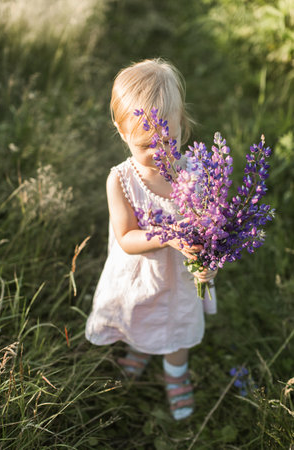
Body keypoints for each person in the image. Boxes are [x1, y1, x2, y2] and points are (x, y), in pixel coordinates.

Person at [85, 58, 217, 420]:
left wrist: (209, 265)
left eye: (169, 139)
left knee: (177, 325)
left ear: (182, 125)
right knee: (139, 315)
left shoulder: (197, 172)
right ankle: (142, 348)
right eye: (147, 144)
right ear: (121, 130)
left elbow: (209, 226)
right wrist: (169, 235)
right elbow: (126, 237)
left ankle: (176, 374)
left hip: (181, 277)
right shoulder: (121, 180)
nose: (161, 153)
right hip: (140, 273)